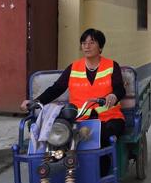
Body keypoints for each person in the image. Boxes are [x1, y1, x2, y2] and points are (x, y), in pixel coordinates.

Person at [20, 28, 125, 175]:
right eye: (84, 43)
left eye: (91, 42)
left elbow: (120, 89)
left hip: (109, 118)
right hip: (79, 118)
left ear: (100, 47)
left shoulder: (112, 66)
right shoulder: (74, 68)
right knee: (58, 136)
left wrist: (114, 95)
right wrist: (35, 101)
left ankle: (99, 178)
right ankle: (53, 173)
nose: (87, 46)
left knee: (101, 138)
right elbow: (56, 89)